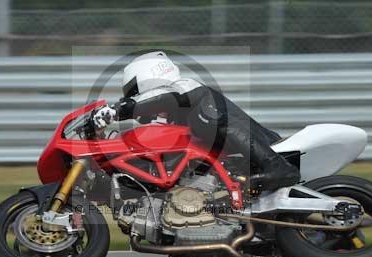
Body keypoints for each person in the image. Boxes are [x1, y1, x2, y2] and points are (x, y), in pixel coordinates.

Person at [91, 51, 300, 191]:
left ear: (146, 78)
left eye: (134, 93)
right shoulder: (175, 120)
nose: (134, 98)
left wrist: (116, 110)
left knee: (211, 116)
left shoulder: (187, 88)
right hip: (230, 172)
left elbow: (161, 98)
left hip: (267, 147)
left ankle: (277, 167)